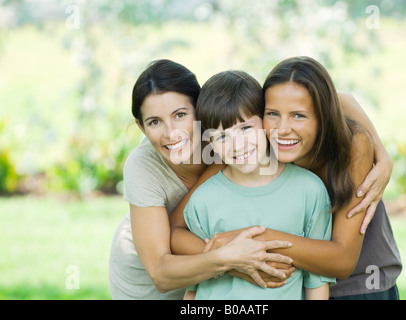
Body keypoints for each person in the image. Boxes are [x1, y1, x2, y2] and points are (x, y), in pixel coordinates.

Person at [170, 56, 402, 300]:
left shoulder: (352, 144)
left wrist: (254, 238)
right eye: (272, 114)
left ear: (323, 117)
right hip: (290, 286)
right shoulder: (243, 150)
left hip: (360, 284)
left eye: (298, 116)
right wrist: (233, 258)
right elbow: (177, 230)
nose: (282, 129)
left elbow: (343, 262)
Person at [108, 59, 295, 300]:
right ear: (141, 128)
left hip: (213, 286)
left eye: (180, 115)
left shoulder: (231, 137)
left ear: (201, 108)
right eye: (154, 122)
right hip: (149, 285)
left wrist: (361, 131)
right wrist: (233, 259)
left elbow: (319, 98)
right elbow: (160, 274)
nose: (171, 132)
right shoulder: (142, 166)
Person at [182, 70, 335, 300]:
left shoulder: (309, 191)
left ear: (265, 122)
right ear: (209, 142)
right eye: (222, 137)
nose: (237, 145)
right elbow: (194, 285)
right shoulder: (202, 201)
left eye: (245, 128)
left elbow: (317, 281)